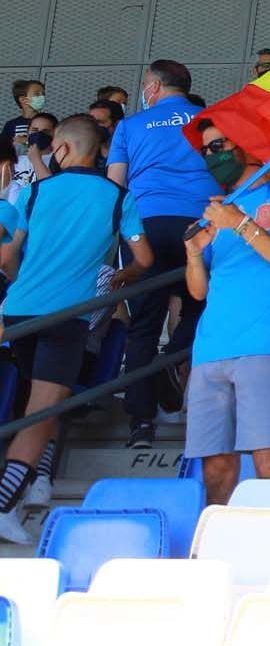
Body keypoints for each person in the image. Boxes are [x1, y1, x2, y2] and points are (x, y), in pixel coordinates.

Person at [0, 118, 151, 541]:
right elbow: (145, 257)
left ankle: (20, 495)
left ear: (62, 148)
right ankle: (3, 504)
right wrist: (127, 276)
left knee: (35, 406)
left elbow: (9, 256)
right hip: (67, 317)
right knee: (41, 413)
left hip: (17, 312)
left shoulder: (34, 191)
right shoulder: (118, 196)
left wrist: (22, 283)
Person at [182, 121, 270, 505]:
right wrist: (193, 254)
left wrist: (241, 224)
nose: (212, 156)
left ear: (243, 143)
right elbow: (198, 291)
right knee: (215, 467)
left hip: (264, 344)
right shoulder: (216, 210)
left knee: (269, 461)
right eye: (206, 150)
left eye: (218, 145)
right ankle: (216, 548)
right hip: (210, 348)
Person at [107, 60, 224, 449]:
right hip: (201, 222)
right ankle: (171, 362)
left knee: (143, 324)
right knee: (201, 309)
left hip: (146, 225)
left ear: (154, 87)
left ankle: (141, 421)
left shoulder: (130, 125)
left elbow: (115, 187)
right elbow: (228, 172)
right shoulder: (210, 118)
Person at [3, 80, 45, 151]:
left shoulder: (47, 121)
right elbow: (3, 148)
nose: (42, 97)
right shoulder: (11, 125)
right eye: (37, 94)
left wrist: (26, 140)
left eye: (43, 94)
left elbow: (51, 143)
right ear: (23, 99)